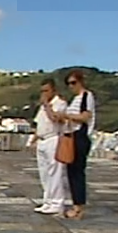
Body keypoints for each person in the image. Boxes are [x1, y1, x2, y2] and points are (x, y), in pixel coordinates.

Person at [46, 69, 96, 220]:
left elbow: (85, 116)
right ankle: (76, 205)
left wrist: (66, 115)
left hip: (79, 136)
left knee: (77, 173)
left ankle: (78, 207)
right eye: (68, 84)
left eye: (73, 83)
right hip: (70, 135)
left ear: (81, 82)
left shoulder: (87, 96)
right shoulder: (75, 99)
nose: (71, 86)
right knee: (71, 172)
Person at [32, 79, 69, 214]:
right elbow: (39, 123)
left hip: (53, 139)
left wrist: (47, 105)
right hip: (42, 140)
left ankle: (57, 202)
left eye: (46, 91)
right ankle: (48, 200)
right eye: (42, 91)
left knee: (55, 173)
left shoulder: (60, 103)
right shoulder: (43, 106)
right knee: (44, 173)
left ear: (53, 90)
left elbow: (55, 119)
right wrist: (34, 139)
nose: (44, 94)